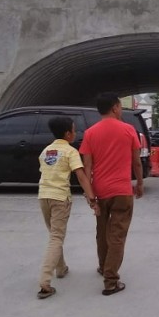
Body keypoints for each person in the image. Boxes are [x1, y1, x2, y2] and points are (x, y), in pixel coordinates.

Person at [79, 93, 144, 296]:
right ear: (116, 107)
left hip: (100, 191)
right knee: (117, 235)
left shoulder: (90, 133)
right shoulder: (128, 130)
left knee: (102, 231)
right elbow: (136, 161)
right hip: (122, 191)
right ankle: (111, 280)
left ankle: (103, 266)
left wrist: (89, 193)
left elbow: (86, 165)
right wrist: (140, 183)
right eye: (120, 107)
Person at [37, 116, 98, 300]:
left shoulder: (46, 150)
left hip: (43, 196)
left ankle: (61, 268)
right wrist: (92, 197)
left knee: (55, 234)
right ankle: (45, 281)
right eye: (74, 130)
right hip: (59, 198)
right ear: (67, 134)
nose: (76, 132)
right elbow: (80, 176)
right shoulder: (70, 152)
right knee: (56, 237)